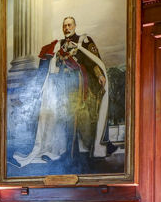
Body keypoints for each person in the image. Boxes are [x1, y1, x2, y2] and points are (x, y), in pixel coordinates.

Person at [13, 16, 112, 170]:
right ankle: (66, 154)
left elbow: (94, 61)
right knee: (64, 120)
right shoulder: (58, 45)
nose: (67, 28)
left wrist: (99, 75)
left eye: (69, 25)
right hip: (61, 88)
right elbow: (49, 62)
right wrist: (53, 66)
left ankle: (81, 157)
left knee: (80, 120)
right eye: (64, 25)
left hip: (79, 86)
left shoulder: (83, 41)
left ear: (75, 26)